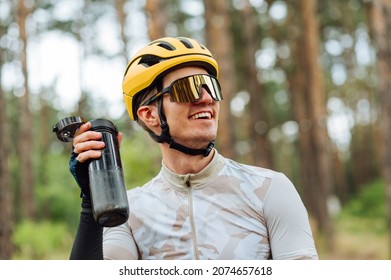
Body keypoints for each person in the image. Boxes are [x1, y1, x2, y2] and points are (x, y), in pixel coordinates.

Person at [69, 36, 318, 260]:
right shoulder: (129, 211)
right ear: (149, 115)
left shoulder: (269, 190)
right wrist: (91, 202)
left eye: (211, 86)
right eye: (187, 88)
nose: (207, 97)